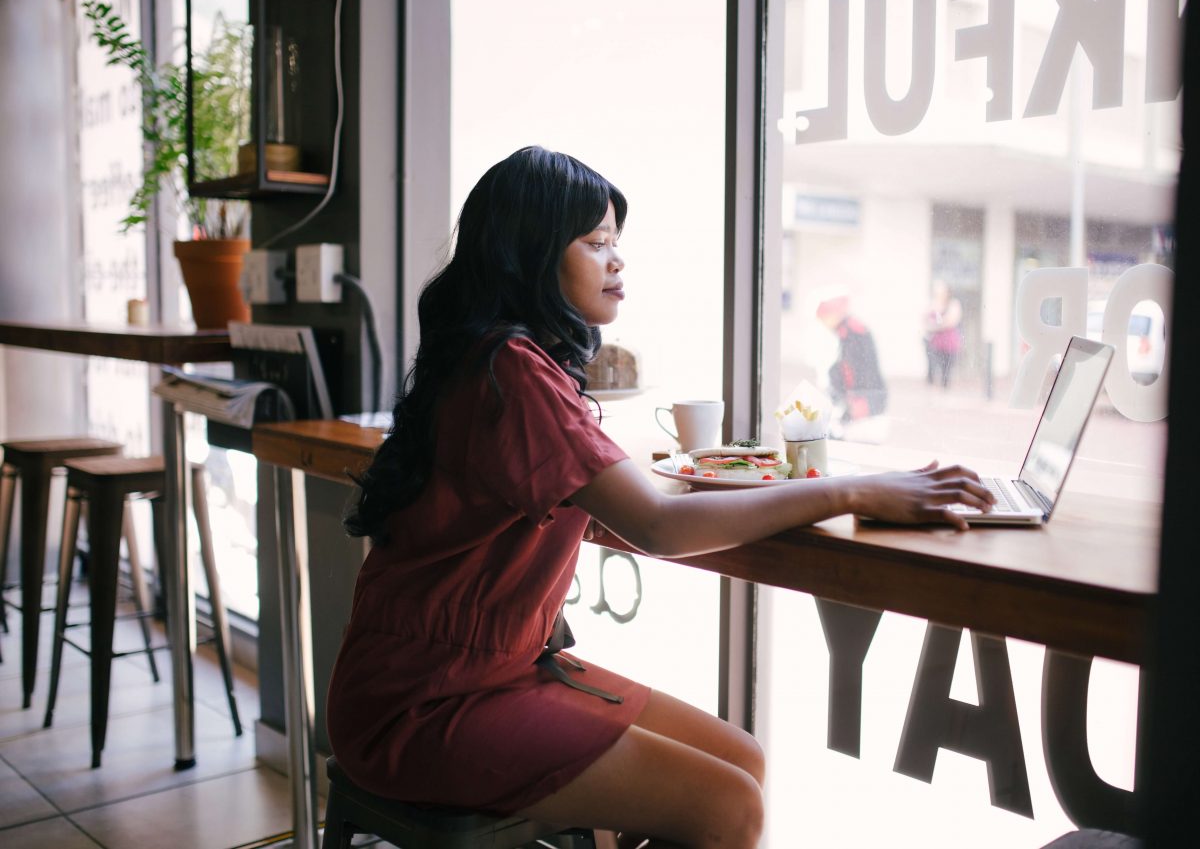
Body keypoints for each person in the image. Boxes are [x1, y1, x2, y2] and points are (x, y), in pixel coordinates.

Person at [327, 146, 994, 849]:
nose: (618, 261)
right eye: (597, 242)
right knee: (728, 803)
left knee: (745, 762)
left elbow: (599, 498)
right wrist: (853, 489)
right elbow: (659, 524)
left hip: (476, 667)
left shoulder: (503, 358)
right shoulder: (512, 371)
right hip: (428, 698)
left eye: (618, 242)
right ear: (529, 252)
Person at [816, 291, 888, 424]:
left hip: (866, 394)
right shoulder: (847, 329)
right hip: (863, 393)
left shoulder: (851, 331)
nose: (824, 323)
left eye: (825, 317)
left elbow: (857, 367)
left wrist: (855, 399)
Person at [923, 279, 964, 388]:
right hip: (935, 342)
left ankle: (944, 391)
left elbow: (951, 321)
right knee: (933, 367)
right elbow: (924, 319)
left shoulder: (953, 304)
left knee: (946, 371)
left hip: (949, 342)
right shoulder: (933, 303)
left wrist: (935, 325)